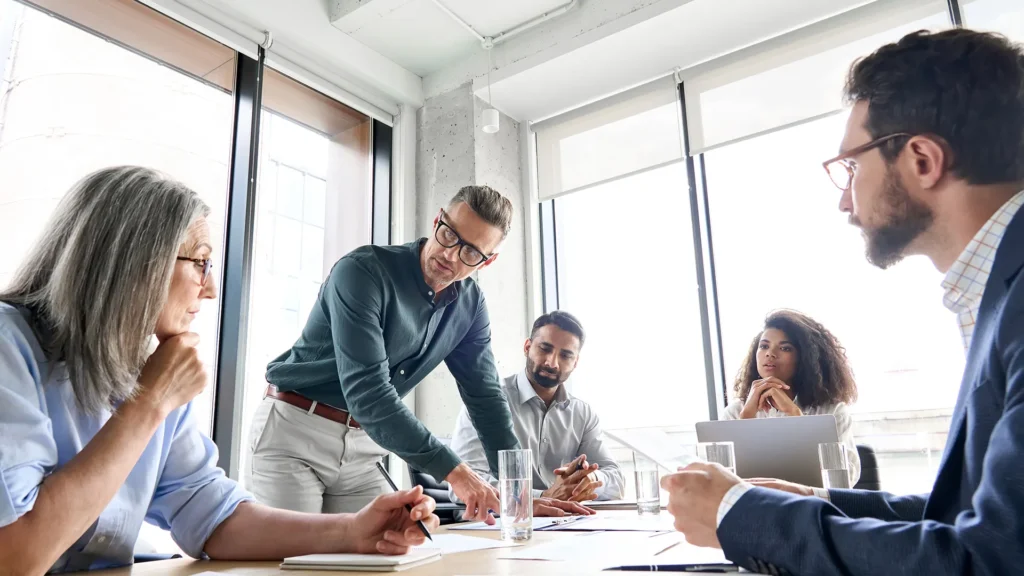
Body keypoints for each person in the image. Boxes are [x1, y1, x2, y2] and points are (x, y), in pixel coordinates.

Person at [660, 29, 1024, 575]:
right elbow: (970, 519)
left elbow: (989, 563)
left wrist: (743, 514)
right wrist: (818, 500)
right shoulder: (995, 294)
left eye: (851, 166)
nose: (843, 201)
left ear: (922, 159)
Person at [0, 167, 441, 573]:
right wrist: (149, 403)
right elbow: (17, 555)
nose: (210, 289)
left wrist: (353, 531)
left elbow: (210, 513)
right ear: (135, 262)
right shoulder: (10, 347)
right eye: (201, 262)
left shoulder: (149, 370)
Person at [249, 185, 590, 522]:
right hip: (296, 432)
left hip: (364, 450)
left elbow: (486, 399)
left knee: (384, 559)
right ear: (437, 221)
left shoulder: (470, 306)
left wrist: (520, 494)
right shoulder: (363, 272)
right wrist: (456, 472)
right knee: (292, 562)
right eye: (449, 235)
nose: (451, 255)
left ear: (488, 261)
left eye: (471, 252)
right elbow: (369, 394)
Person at [449, 311, 624, 503]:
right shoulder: (485, 401)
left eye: (565, 356)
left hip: (563, 523)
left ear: (575, 363)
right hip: (501, 523)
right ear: (527, 347)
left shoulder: (582, 414)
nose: (552, 363)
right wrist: (542, 498)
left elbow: (616, 481)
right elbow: (466, 484)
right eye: (545, 349)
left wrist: (591, 480)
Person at [724, 309, 860, 484]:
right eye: (764, 346)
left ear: (805, 358)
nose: (770, 354)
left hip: (811, 507)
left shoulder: (832, 412)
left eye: (785, 348)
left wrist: (796, 417)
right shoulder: (736, 412)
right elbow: (722, 484)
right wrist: (745, 421)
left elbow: (844, 480)